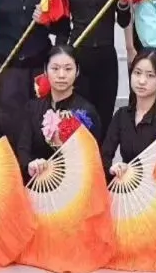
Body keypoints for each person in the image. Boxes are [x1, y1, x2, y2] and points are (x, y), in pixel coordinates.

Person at [52, 0, 131, 127]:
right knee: (77, 119)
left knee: (104, 118)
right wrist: (59, 58)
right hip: (78, 57)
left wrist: (123, 4)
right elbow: (62, 28)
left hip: (107, 57)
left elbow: (124, 21)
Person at [16, 44, 104, 182]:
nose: (61, 75)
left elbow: (93, 157)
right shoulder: (33, 108)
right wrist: (30, 165)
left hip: (76, 184)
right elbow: (23, 148)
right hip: (38, 182)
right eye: (55, 69)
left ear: (77, 71)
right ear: (45, 71)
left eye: (68, 69)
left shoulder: (86, 111)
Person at [101, 47, 156, 174]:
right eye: (137, 73)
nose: (142, 81)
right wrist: (112, 169)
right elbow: (104, 156)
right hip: (125, 182)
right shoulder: (122, 115)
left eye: (150, 75)